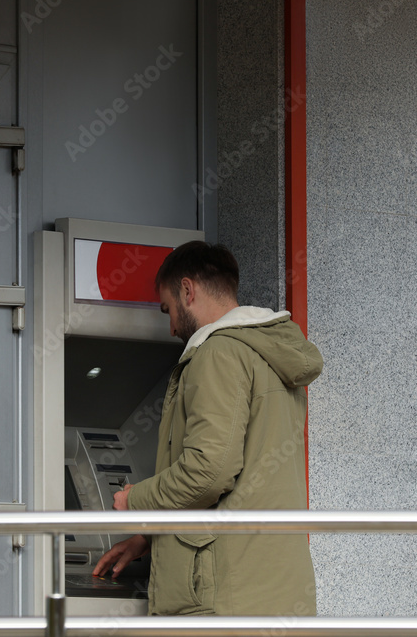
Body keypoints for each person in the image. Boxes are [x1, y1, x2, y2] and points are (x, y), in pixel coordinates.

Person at [92, 240, 323, 616]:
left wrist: (135, 499)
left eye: (167, 309)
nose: (169, 328)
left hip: (223, 596)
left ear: (187, 289)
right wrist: (150, 537)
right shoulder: (267, 354)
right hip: (271, 586)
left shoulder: (216, 353)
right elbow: (248, 478)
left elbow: (210, 472)